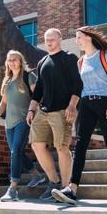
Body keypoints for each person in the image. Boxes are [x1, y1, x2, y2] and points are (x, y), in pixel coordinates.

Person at [53, 27, 107, 205]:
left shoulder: (105, 54)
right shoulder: (80, 62)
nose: (77, 41)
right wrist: (73, 105)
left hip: (106, 102)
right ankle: (72, 189)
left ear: (88, 38)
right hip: (86, 104)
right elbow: (79, 88)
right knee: (80, 146)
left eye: (79, 37)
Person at [26, 28, 82, 200]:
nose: (49, 42)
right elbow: (38, 91)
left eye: (53, 39)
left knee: (62, 147)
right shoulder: (43, 62)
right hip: (43, 111)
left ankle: (67, 189)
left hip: (62, 110)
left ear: (60, 39)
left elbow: (78, 84)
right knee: (36, 144)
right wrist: (31, 109)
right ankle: (54, 182)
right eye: (46, 39)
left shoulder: (69, 58)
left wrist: (72, 106)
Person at [0, 50, 38, 201]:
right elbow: (3, 102)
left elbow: (37, 96)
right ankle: (36, 175)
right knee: (16, 152)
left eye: (15, 59)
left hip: (23, 120)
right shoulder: (7, 80)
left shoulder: (28, 76)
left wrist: (34, 113)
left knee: (16, 151)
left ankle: (13, 189)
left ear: (21, 61)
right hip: (9, 123)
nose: (12, 62)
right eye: (10, 60)